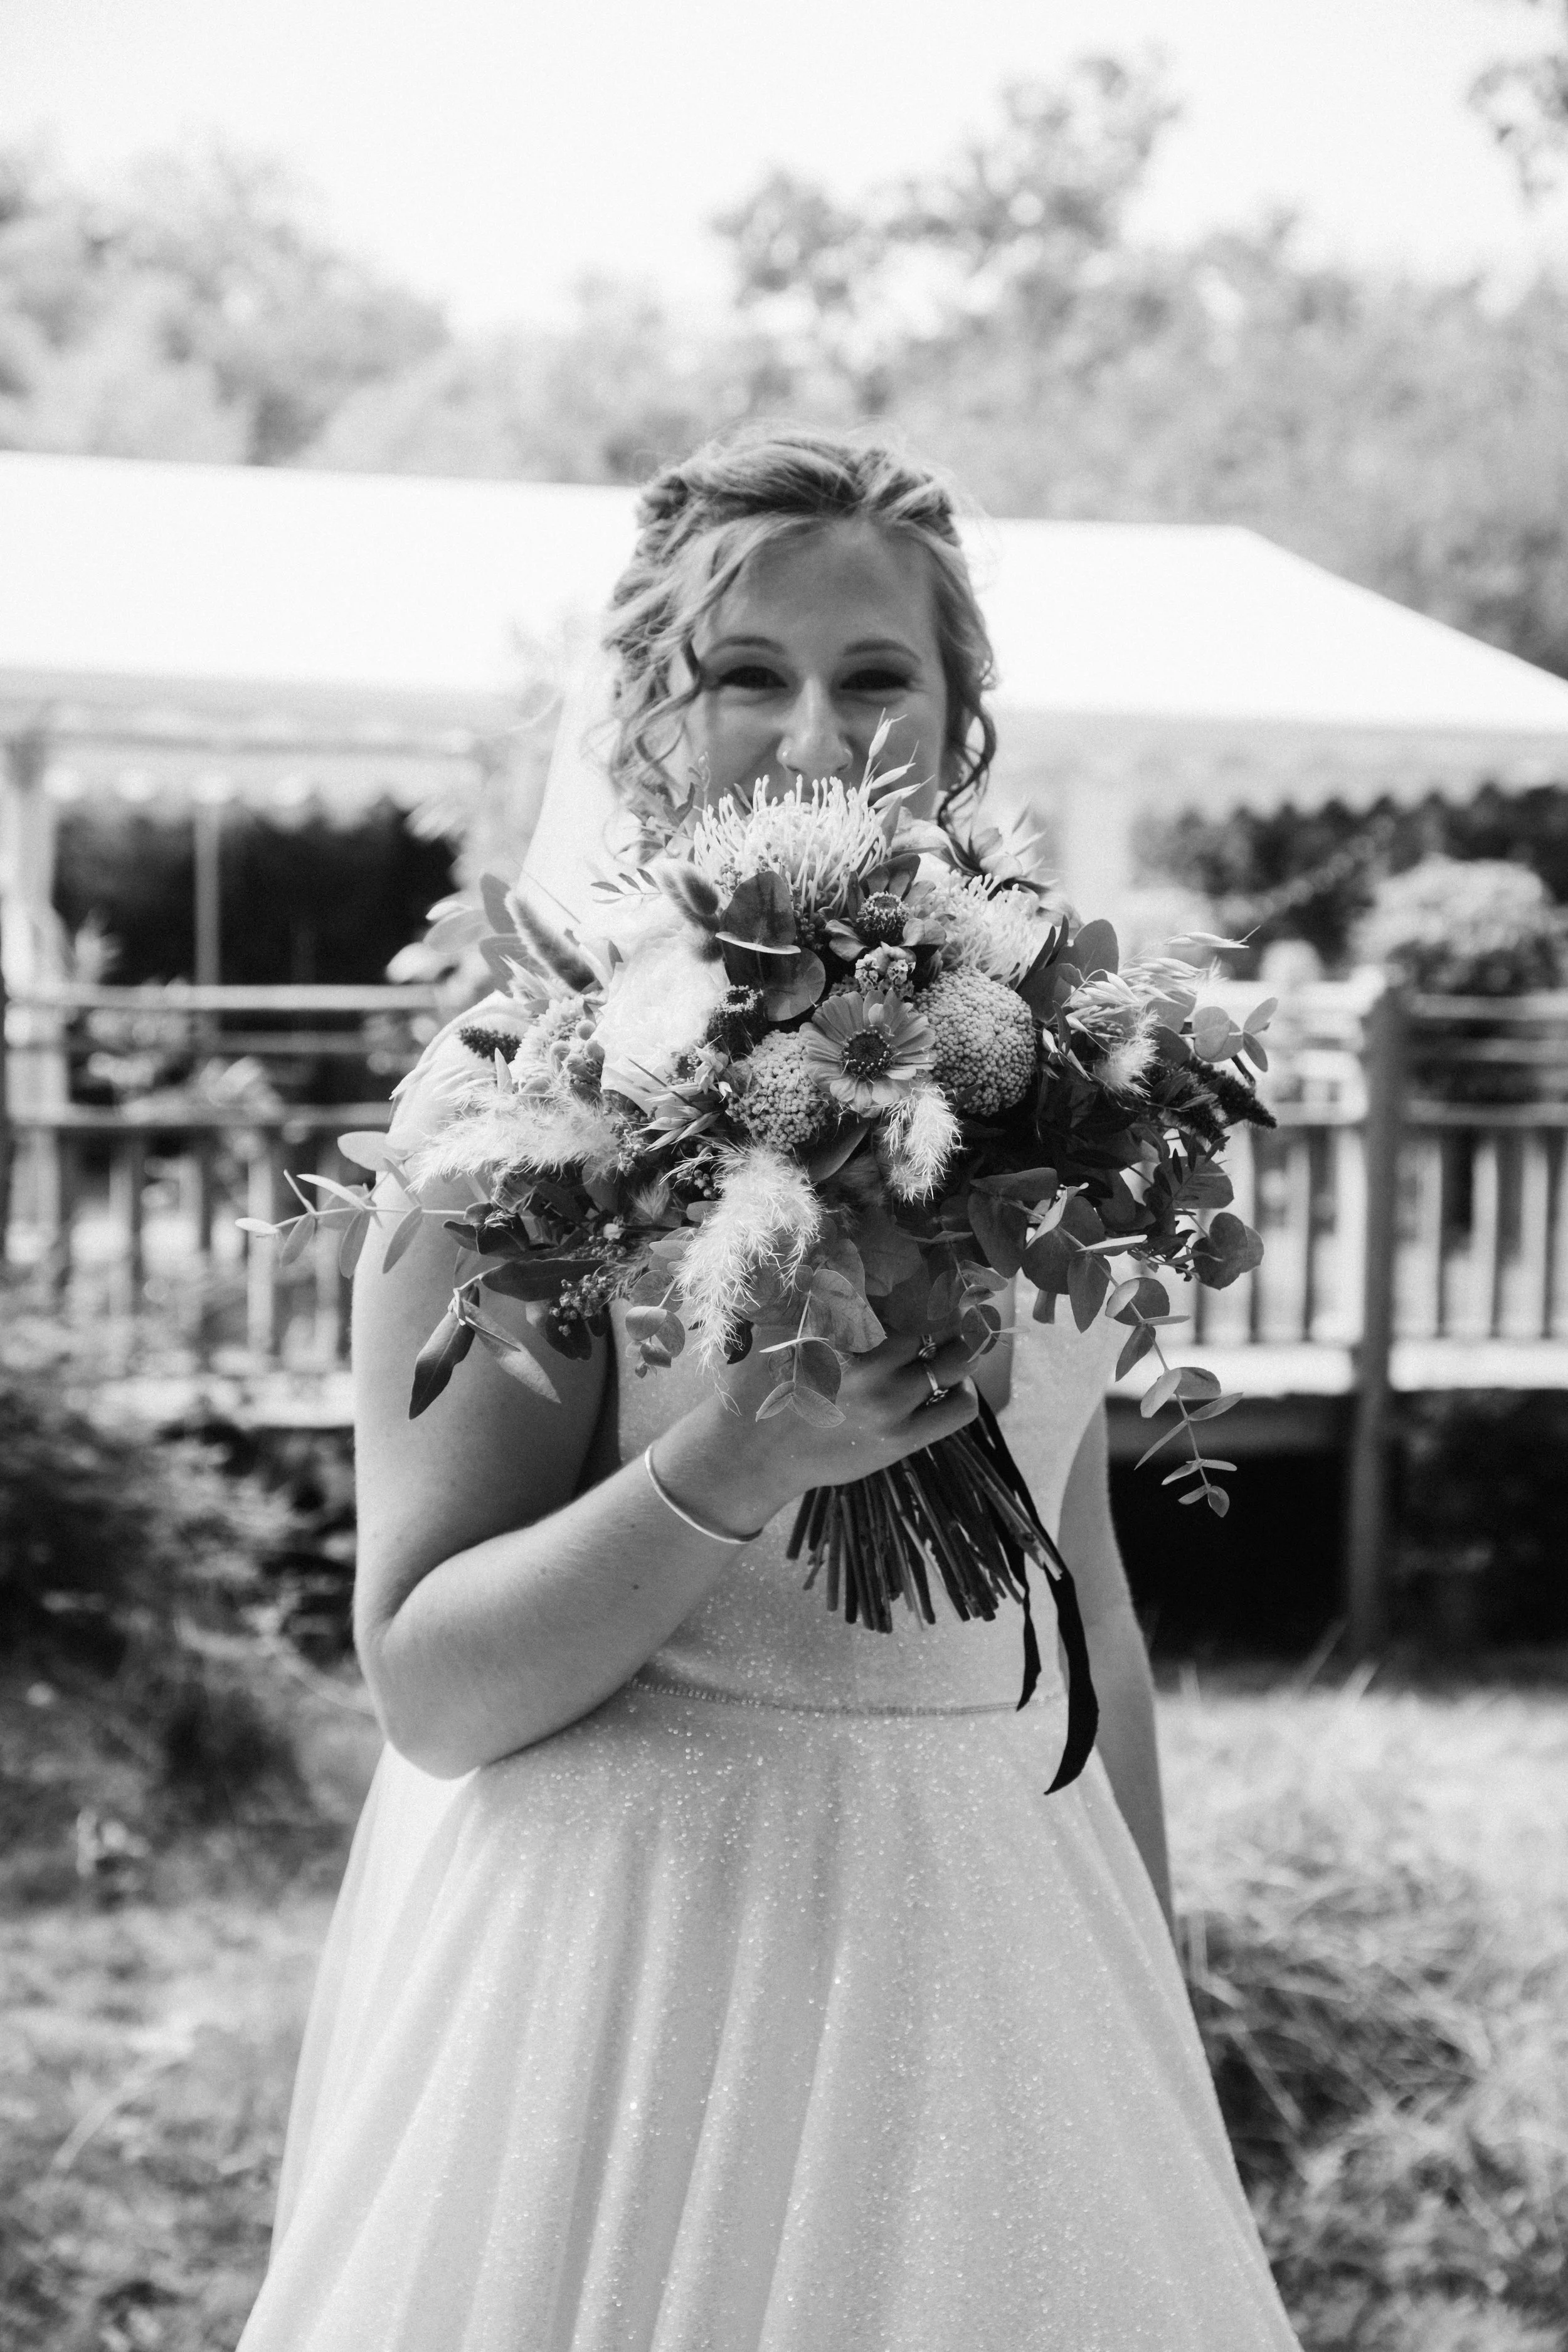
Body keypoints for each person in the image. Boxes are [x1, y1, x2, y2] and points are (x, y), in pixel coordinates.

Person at [237, 427, 1301, 2350]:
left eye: (874, 675)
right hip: (634, 1987)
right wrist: (727, 1457)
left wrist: (1146, 1998)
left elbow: (1084, 1614)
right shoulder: (514, 1112)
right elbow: (429, 1682)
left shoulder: (1059, 1095)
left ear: (957, 716)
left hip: (998, 1947)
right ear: (653, 712)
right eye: (749, 674)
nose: (815, 731)